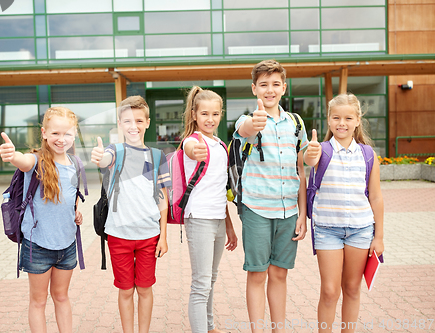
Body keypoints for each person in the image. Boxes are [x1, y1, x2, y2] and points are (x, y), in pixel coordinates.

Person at [233, 59, 308, 332]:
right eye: (263, 84)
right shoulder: (247, 120)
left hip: (289, 211)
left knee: (279, 273)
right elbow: (246, 130)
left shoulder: (295, 124)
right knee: (257, 274)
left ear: (284, 88)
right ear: (254, 88)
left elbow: (300, 170)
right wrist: (256, 122)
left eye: (275, 84)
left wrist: (303, 214)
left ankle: (279, 329)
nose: (270, 90)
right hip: (256, 210)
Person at [0, 106, 84, 333]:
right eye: (55, 133)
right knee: (38, 301)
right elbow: (22, 161)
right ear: (44, 132)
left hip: (67, 245)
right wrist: (12, 155)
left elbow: (71, 196)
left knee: (62, 297)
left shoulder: (75, 164)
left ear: (74, 134)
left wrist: (75, 212)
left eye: (67, 133)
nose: (61, 139)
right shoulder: (35, 161)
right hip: (37, 246)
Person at [304, 93, 384, 333]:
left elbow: (376, 197)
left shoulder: (368, 155)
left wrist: (378, 237)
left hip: (361, 231)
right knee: (329, 290)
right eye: (336, 117)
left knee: (351, 289)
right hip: (328, 230)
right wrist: (310, 153)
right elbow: (307, 160)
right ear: (328, 120)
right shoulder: (321, 151)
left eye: (348, 118)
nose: (342, 123)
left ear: (358, 120)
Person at [90, 96, 170, 333]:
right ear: (119, 124)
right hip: (119, 235)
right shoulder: (115, 151)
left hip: (149, 236)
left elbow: (162, 198)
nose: (133, 126)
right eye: (127, 121)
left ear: (147, 122)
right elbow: (105, 159)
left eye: (138, 120)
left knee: (145, 289)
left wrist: (163, 236)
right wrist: (99, 157)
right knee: (125, 290)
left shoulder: (157, 157)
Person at [181, 86, 238, 333]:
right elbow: (189, 149)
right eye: (204, 114)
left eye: (215, 114)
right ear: (194, 114)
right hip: (199, 219)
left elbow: (219, 189)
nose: (210, 119)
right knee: (201, 284)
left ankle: (210, 326)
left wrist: (229, 226)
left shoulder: (220, 145)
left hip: (217, 219)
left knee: (211, 280)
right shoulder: (193, 141)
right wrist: (195, 151)